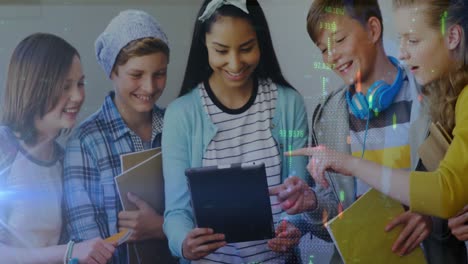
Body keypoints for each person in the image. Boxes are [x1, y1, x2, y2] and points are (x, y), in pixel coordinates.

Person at [271, 0, 467, 262]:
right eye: (323, 50)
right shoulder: (327, 117)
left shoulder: (440, 98)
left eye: (339, 40)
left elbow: (453, 191)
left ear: (373, 30)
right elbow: (335, 217)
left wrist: (431, 215)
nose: (332, 56)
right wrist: (313, 204)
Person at [162, 0, 309, 263]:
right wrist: (183, 242)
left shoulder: (288, 104)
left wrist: (293, 224)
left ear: (260, 42)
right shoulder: (180, 115)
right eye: (221, 50)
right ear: (204, 46)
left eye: (246, 48)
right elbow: (176, 212)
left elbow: (298, 191)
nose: (235, 63)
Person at [63, 10, 175, 264]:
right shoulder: (85, 142)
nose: (149, 87)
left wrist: (160, 227)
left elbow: (199, 217)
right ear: (112, 71)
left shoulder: (176, 126)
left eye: (159, 73)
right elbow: (86, 244)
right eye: (136, 75)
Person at [0, 33, 115, 264]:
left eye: (80, 84)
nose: (77, 96)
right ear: (34, 86)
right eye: (65, 86)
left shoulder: (65, 159)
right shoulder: (3, 147)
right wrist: (69, 252)